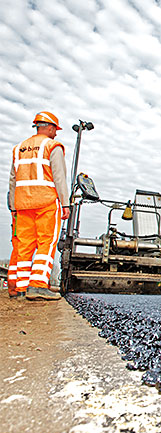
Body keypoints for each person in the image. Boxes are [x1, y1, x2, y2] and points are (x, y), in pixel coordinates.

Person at [8, 111, 70, 300]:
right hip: (46, 203)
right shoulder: (52, 146)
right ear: (50, 128)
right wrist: (66, 203)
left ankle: (20, 288)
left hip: (22, 204)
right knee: (46, 242)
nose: (56, 133)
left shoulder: (19, 148)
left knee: (24, 244)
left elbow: (13, 179)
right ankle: (37, 285)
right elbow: (59, 177)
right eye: (55, 130)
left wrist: (13, 206)